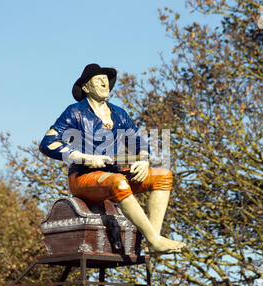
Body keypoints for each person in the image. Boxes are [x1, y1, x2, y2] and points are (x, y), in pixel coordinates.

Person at [39, 63, 186, 254]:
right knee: (119, 182)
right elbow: (47, 142)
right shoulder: (75, 112)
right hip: (83, 178)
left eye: (105, 80)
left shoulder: (119, 113)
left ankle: (153, 239)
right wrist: (84, 158)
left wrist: (143, 160)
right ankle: (153, 238)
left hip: (113, 175)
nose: (104, 83)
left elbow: (138, 143)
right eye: (98, 80)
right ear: (86, 87)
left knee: (163, 175)